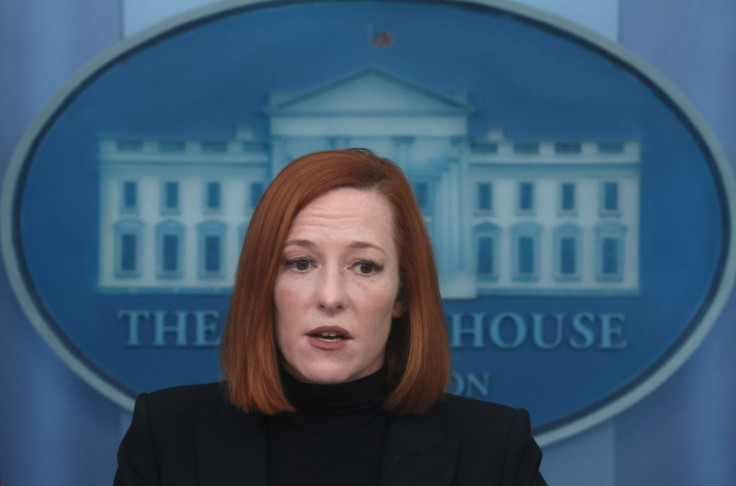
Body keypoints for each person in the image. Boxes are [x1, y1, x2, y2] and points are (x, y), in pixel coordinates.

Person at [114, 149, 546, 485]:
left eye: (365, 266)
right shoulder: (166, 434)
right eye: (300, 263)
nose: (331, 297)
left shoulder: (494, 448)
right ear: (263, 285)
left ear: (403, 295)